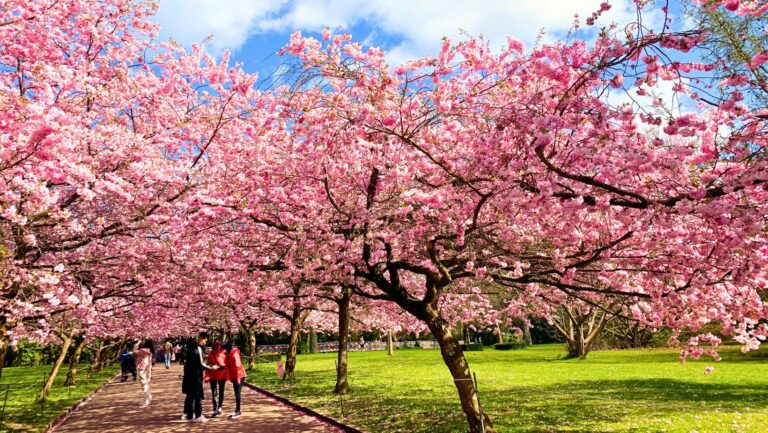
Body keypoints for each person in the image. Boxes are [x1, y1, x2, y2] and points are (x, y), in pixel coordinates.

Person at [182, 332, 219, 423]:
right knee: (197, 395)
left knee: (190, 395)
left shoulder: (190, 347)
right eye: (205, 340)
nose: (205, 343)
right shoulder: (197, 348)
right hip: (195, 375)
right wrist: (211, 367)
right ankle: (198, 415)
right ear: (201, 338)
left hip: (189, 374)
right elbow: (200, 363)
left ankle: (190, 415)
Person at [222, 341, 246, 420]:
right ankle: (237, 410)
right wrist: (231, 377)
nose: (224, 350)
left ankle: (238, 411)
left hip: (239, 375)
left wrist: (237, 378)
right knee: (236, 393)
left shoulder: (234, 354)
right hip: (234, 376)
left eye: (224, 349)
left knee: (237, 393)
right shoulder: (229, 353)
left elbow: (238, 366)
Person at [205, 341, 228, 417]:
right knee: (214, 392)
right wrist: (212, 366)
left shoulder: (224, 352)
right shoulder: (211, 353)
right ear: (214, 346)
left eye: (219, 345)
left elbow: (227, 363)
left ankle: (220, 407)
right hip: (213, 374)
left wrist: (222, 366)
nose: (217, 347)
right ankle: (215, 409)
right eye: (216, 345)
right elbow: (208, 364)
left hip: (222, 374)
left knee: (221, 391)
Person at [133, 339, 154, 407]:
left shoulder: (142, 350)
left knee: (144, 385)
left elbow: (134, 352)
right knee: (147, 384)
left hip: (142, 369)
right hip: (148, 369)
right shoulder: (151, 350)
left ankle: (146, 400)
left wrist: (137, 344)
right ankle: (149, 397)